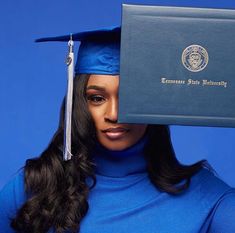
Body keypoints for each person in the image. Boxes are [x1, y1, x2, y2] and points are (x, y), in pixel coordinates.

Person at [0, 27, 235, 233]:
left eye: (129, 97)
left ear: (154, 102)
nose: (114, 114)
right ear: (79, 103)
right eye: (97, 98)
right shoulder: (32, 188)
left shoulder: (210, 200)